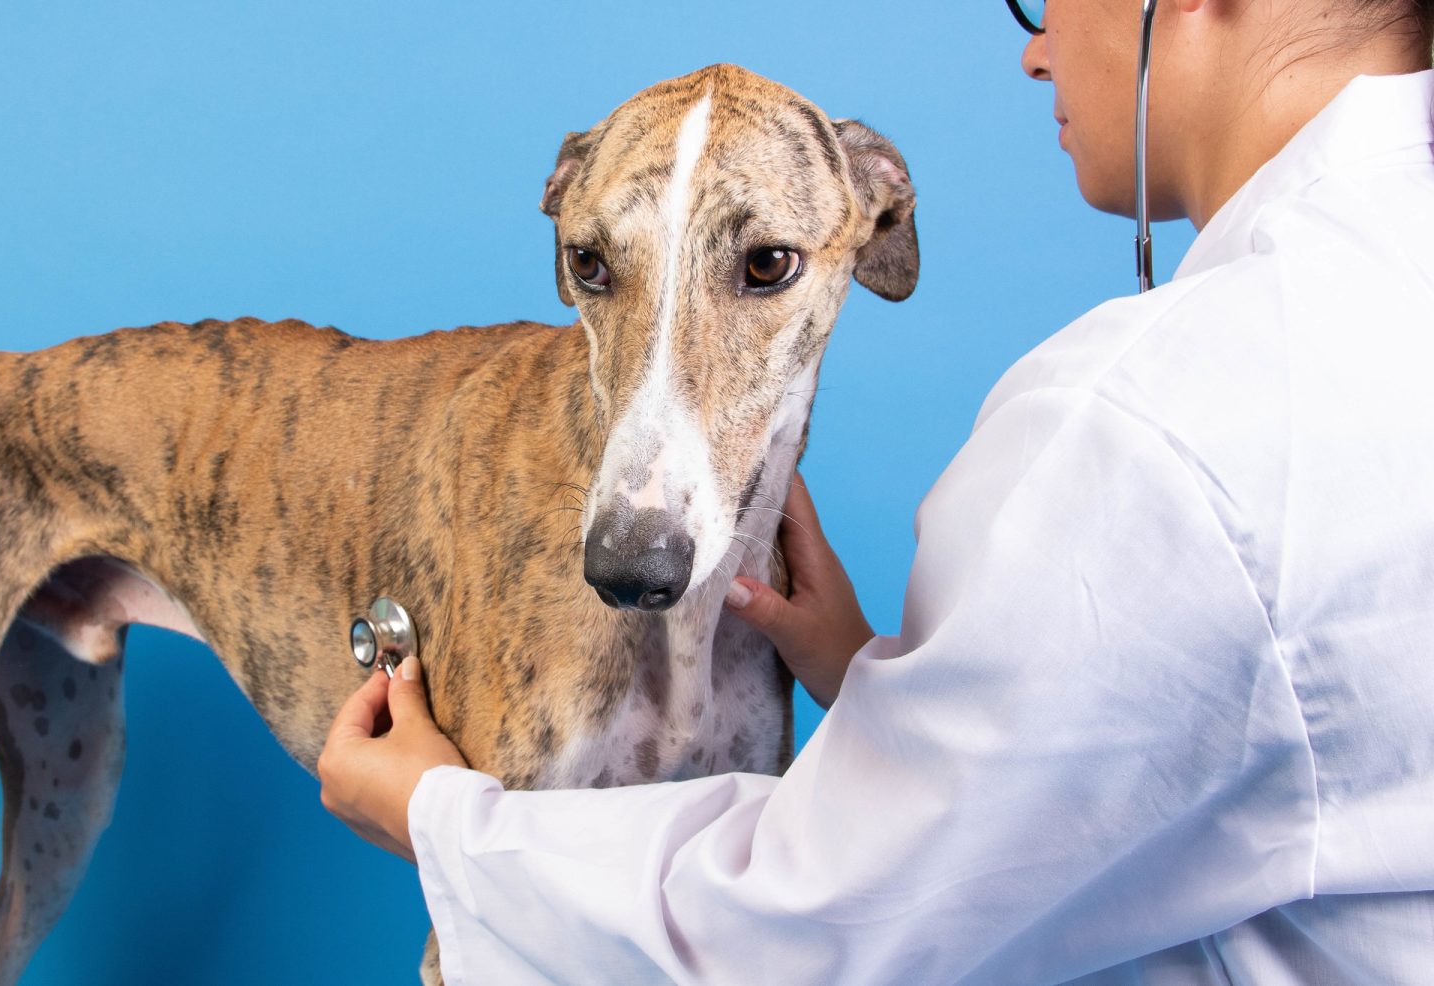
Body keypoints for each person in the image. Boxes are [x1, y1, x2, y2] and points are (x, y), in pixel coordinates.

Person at [317, 1, 1434, 981]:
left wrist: (439, 816)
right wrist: (866, 672)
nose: (1037, 52)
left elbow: (806, 935)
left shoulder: (1140, 425)